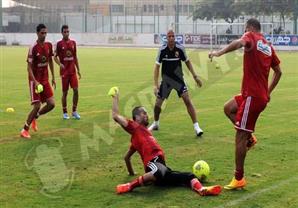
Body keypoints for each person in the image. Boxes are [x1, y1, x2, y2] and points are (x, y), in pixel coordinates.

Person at [209, 18, 282, 190]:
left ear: (250, 28)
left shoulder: (251, 37)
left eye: (245, 29)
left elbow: (239, 42)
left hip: (253, 97)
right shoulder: (268, 47)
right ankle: (249, 139)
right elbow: (279, 72)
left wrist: (219, 53)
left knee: (239, 136)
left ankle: (239, 178)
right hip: (253, 95)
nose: (244, 32)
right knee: (228, 108)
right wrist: (268, 92)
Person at [111, 89, 222, 196]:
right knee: (158, 172)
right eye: (143, 113)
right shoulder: (135, 127)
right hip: (154, 165)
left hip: (162, 167)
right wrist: (115, 97)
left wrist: (131, 172)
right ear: (136, 118)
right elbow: (115, 116)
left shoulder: (143, 134)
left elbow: (127, 157)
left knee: (189, 176)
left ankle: (201, 189)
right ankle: (129, 186)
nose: (146, 115)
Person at [148, 30, 204, 137]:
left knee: (187, 100)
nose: (171, 38)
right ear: (166, 38)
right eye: (169, 36)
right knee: (157, 105)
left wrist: (195, 77)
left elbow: (187, 62)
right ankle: (156, 123)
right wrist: (155, 85)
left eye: (173, 36)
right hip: (166, 81)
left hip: (178, 80)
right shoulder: (162, 50)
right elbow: (156, 67)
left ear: (175, 37)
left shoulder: (180, 48)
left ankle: (197, 127)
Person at [20, 23, 56, 139]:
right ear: (37, 33)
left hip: (45, 80)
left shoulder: (49, 45)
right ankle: (24, 129)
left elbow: (50, 61)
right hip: (34, 81)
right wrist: (35, 82)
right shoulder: (33, 48)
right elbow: (29, 67)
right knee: (37, 105)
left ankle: (36, 116)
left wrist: (53, 77)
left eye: (45, 33)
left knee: (51, 104)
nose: (44, 35)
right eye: (42, 33)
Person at [54, 25, 81, 120]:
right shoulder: (59, 44)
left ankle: (74, 111)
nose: (66, 33)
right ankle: (65, 112)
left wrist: (78, 70)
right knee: (65, 93)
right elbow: (55, 57)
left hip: (73, 72)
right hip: (64, 72)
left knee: (76, 91)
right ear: (61, 33)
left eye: (67, 31)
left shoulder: (73, 43)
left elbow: (75, 57)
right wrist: (59, 64)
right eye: (64, 32)